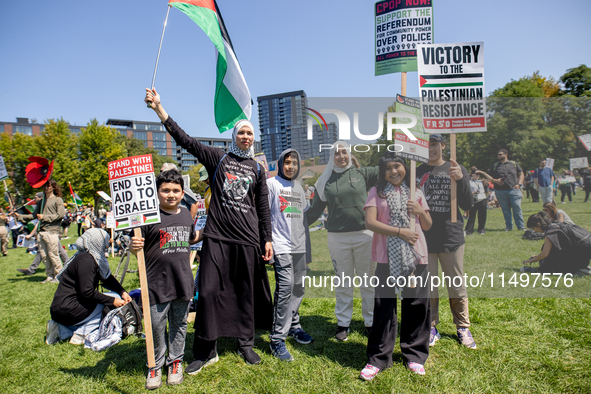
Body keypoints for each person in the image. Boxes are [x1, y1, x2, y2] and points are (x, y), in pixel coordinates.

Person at [144, 88, 274, 374]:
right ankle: (206, 350)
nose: (246, 137)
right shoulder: (218, 158)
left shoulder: (257, 169)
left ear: (253, 139)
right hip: (217, 239)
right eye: (242, 133)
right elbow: (186, 140)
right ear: (234, 136)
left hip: (248, 241)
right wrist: (159, 110)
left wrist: (267, 239)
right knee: (210, 292)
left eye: (250, 134)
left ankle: (246, 344)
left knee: (245, 293)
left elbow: (262, 207)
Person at [360, 154, 432, 380]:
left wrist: (419, 212)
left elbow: (428, 225)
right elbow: (370, 222)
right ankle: (378, 358)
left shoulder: (417, 192)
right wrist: (400, 232)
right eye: (388, 168)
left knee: (416, 304)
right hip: (386, 257)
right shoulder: (376, 192)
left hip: (415, 256)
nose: (393, 171)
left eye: (397, 166)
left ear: (405, 168)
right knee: (384, 306)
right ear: (382, 172)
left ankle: (414, 355)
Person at [131, 169, 200, 389]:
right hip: (156, 283)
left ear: (182, 193)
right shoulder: (147, 217)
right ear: (157, 192)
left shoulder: (185, 215)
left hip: (182, 281)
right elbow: (136, 246)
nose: (171, 194)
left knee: (179, 324)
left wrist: (210, 231)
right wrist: (134, 247)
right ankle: (155, 364)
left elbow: (189, 239)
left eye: (176, 191)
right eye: (165, 190)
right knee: (156, 326)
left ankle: (175, 361)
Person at [306, 141, 378, 341]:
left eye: (344, 152)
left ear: (349, 154)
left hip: (365, 235)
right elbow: (314, 211)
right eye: (337, 154)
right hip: (338, 238)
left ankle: (370, 322)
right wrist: (293, 220)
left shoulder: (363, 173)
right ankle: (343, 323)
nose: (341, 156)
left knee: (368, 281)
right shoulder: (325, 181)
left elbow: (389, 169)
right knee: (343, 281)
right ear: (331, 157)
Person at [416, 134, 476, 349]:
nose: (430, 148)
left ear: (443, 145)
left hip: (451, 235)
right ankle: (431, 325)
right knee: (429, 285)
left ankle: (463, 327)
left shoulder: (454, 167)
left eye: (434, 144)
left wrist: (460, 178)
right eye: (426, 144)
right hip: (424, 236)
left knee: (456, 283)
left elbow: (468, 203)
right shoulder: (417, 170)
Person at [46, 228, 131, 345]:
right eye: (104, 242)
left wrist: (122, 292)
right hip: (69, 308)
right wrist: (113, 301)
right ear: (98, 242)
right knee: (108, 303)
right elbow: (87, 292)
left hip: (62, 307)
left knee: (113, 296)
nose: (106, 246)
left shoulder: (84, 256)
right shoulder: (87, 261)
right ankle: (81, 334)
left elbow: (107, 279)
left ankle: (60, 330)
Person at [267, 148, 313, 362]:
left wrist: (308, 248)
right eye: (287, 162)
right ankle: (277, 339)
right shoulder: (272, 185)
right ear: (280, 163)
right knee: (285, 289)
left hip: (299, 246)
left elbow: (303, 220)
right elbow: (264, 216)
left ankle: (294, 325)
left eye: (294, 163)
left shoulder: (299, 188)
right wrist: (266, 243)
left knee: (298, 287)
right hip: (281, 245)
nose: (291, 166)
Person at [14, 179, 65, 283]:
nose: (47, 188)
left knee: (53, 254)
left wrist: (44, 217)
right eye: (45, 186)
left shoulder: (57, 200)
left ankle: (59, 276)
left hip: (52, 231)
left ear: (53, 187)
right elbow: (33, 215)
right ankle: (50, 276)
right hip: (41, 231)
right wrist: (20, 216)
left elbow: (61, 215)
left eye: (49, 186)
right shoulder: (42, 201)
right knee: (44, 256)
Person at [522, 212, 590, 274]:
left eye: (534, 228)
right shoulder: (556, 225)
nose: (535, 231)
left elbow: (544, 254)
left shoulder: (550, 232)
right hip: (586, 249)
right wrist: (538, 257)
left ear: (538, 224)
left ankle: (579, 269)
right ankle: (580, 267)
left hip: (582, 254)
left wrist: (531, 260)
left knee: (546, 265)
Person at [487, 149, 525, 231]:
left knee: (517, 208)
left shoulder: (513, 164)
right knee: (505, 210)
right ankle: (508, 227)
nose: (499, 156)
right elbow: (489, 178)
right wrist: (495, 181)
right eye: (498, 155)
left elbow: (521, 174)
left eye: (500, 154)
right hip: (500, 191)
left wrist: (519, 184)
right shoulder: (495, 165)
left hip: (514, 190)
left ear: (506, 154)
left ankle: (521, 227)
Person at [466, 167, 487, 235]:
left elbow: (491, 179)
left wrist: (483, 172)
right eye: (476, 174)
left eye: (479, 174)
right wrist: (473, 193)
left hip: (482, 198)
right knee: (472, 215)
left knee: (482, 215)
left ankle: (481, 230)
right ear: (472, 174)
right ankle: (469, 230)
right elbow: (467, 192)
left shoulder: (480, 181)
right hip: (474, 199)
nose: (478, 175)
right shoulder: (469, 181)